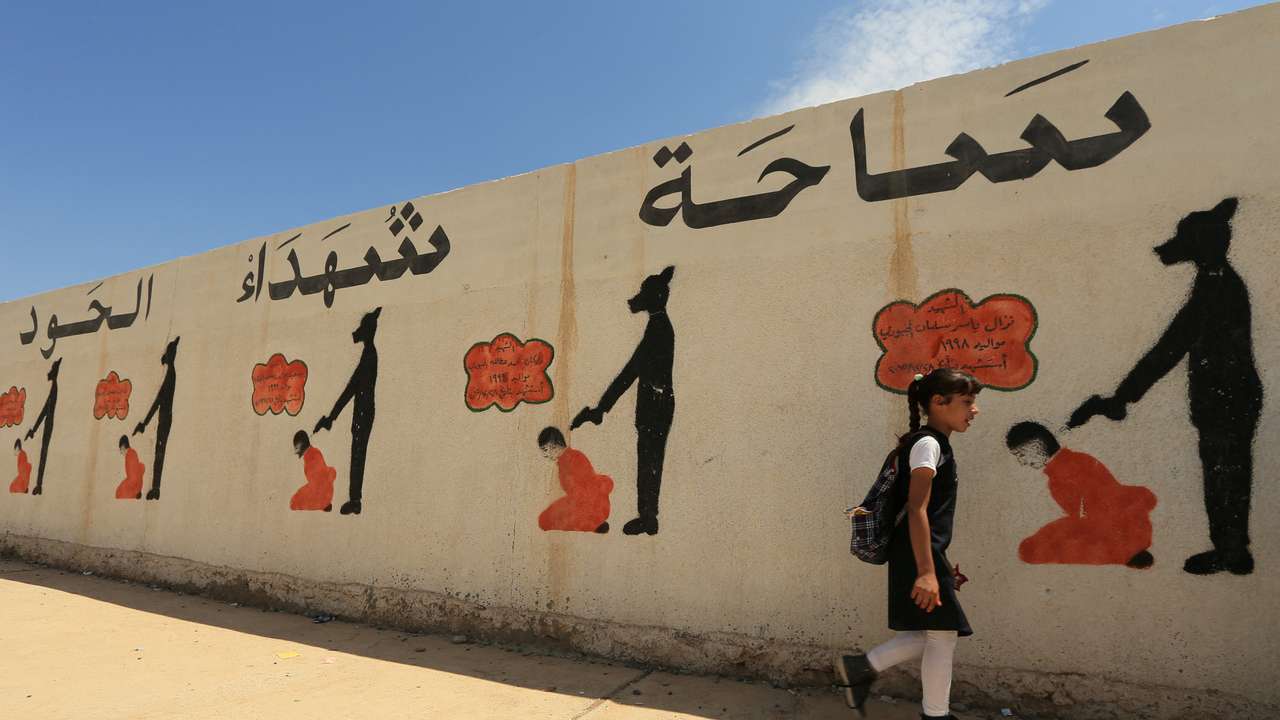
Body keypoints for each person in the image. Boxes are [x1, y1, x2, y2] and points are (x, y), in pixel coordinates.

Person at [837, 368, 981, 720]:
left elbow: (928, 513)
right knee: (943, 634)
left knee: (939, 634)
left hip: (924, 553)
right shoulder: (928, 444)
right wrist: (928, 572)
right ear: (938, 402)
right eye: (967, 402)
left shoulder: (933, 444)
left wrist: (941, 568)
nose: (974, 410)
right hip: (918, 555)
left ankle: (861, 667)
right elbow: (916, 508)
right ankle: (933, 714)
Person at [1008, 422, 1155, 568]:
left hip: (1114, 532)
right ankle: (1127, 551)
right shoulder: (1070, 463)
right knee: (1038, 544)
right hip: (1120, 528)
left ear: (1035, 447)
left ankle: (1126, 552)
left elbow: (1098, 511)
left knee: (1031, 549)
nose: (1022, 462)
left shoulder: (1065, 471)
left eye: (1021, 454)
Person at [537, 427, 612, 533]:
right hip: (582, 503)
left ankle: (594, 523)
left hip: (591, 506)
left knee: (546, 521)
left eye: (545, 449)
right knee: (545, 519)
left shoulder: (573, 458)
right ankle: (594, 523)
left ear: (553, 445)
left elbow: (585, 491)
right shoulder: (565, 459)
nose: (545, 455)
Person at [289, 430, 335, 512]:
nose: (296, 451)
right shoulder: (314, 451)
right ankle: (325, 503)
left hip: (321, 494)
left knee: (294, 502)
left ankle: (323, 504)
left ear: (301, 445)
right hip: (328, 492)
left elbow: (316, 483)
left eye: (296, 447)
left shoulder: (311, 457)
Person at [114, 435, 145, 500]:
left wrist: (125, 486)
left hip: (135, 486)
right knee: (119, 491)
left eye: (120, 449)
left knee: (119, 493)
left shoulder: (130, 455)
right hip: (136, 483)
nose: (120, 452)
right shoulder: (132, 453)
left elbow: (133, 478)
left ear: (123, 447)